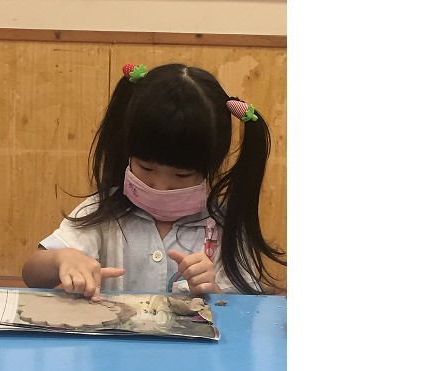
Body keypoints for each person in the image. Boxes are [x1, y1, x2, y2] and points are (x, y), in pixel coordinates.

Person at [22, 63, 286, 300]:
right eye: (146, 168)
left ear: (209, 168)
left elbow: (242, 313)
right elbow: (32, 275)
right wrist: (62, 259)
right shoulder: (103, 212)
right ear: (128, 154)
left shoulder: (223, 227)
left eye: (181, 175)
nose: (159, 186)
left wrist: (213, 291)